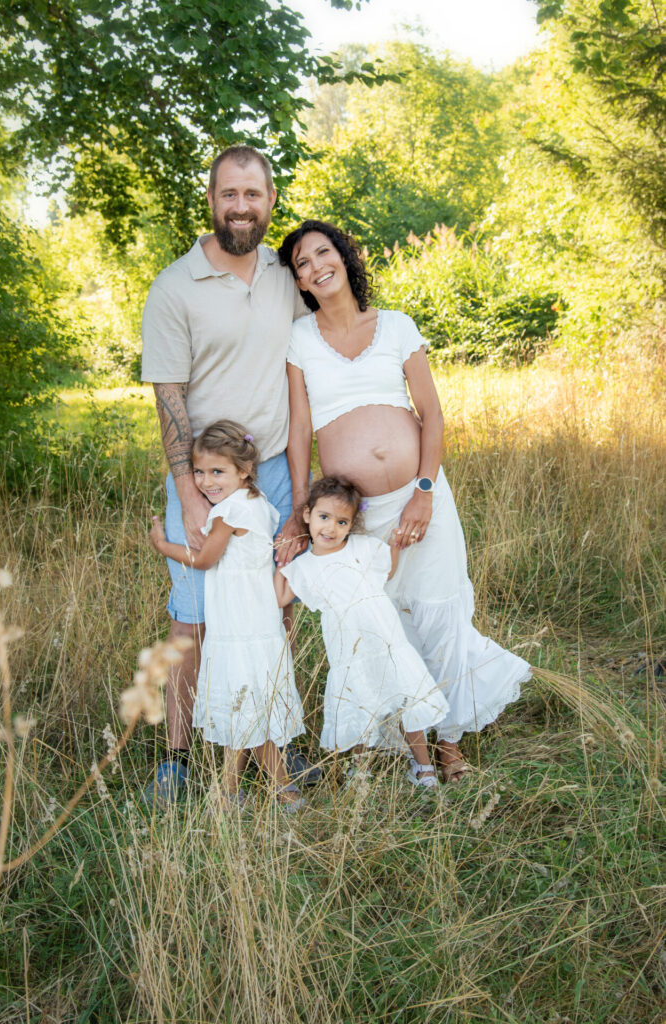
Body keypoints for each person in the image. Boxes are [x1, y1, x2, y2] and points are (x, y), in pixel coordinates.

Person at [277, 220, 531, 782]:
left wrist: (423, 490)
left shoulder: (394, 326)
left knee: (441, 613)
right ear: (298, 280)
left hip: (422, 496)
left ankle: (448, 742)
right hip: (357, 516)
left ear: (343, 258)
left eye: (324, 252)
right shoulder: (300, 339)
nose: (317, 265)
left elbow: (432, 414)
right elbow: (300, 434)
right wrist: (301, 511)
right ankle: (404, 738)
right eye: (302, 262)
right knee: (387, 624)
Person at [141, 145, 318, 806]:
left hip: (271, 472)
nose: (242, 206)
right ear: (211, 201)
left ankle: (272, 737)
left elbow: (303, 387)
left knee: (277, 610)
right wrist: (189, 492)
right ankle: (179, 756)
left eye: (254, 194)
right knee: (193, 623)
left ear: (271, 201)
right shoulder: (175, 286)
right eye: (230, 194)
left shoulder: (285, 276)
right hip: (205, 479)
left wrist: (300, 499)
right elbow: (169, 396)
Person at [150, 421, 305, 809]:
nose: (205, 482)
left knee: (248, 710)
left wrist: (162, 544)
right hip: (258, 621)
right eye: (199, 472)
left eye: (217, 472)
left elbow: (203, 559)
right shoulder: (259, 504)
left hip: (239, 626)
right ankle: (228, 791)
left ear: (244, 471)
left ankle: (285, 792)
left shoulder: (229, 513)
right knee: (247, 705)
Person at [274, 477, 450, 788]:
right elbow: (281, 598)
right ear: (307, 515)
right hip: (348, 650)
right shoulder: (305, 567)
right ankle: (361, 766)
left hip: (387, 641)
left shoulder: (362, 547)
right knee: (359, 704)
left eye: (342, 522)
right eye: (323, 517)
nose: (330, 528)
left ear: (352, 525)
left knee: (405, 699)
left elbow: (387, 571)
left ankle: (422, 764)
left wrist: (395, 546)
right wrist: (283, 558)